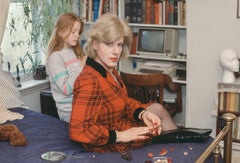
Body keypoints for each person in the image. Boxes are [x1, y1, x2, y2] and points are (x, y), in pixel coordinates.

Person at [69, 13, 178, 153]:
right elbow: (78, 130)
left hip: (121, 124)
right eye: (109, 44)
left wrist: (143, 114)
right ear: (95, 44)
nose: (116, 52)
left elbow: (124, 101)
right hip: (109, 141)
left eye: (119, 45)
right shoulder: (89, 80)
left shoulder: (109, 70)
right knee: (162, 132)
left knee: (157, 109)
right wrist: (121, 135)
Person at [46, 12, 87, 123]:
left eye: (78, 32)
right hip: (69, 112)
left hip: (83, 105)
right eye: (73, 31)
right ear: (60, 32)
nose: (77, 35)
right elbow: (66, 89)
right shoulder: (55, 58)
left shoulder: (73, 51)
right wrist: (81, 66)